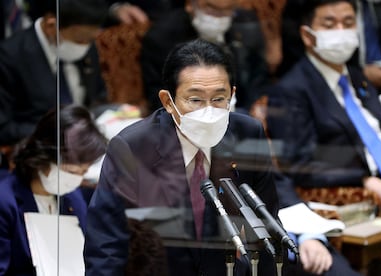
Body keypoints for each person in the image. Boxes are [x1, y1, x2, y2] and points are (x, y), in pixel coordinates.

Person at [84, 39, 280, 275]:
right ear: (168, 101)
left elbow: (266, 229)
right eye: (195, 100)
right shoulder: (133, 147)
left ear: (233, 94)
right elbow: (107, 244)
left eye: (219, 99)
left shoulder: (248, 133)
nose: (209, 111)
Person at [266, 0, 381, 224]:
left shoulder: (355, 76)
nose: (341, 32)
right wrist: (365, 180)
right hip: (376, 192)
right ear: (308, 36)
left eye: (348, 23)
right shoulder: (291, 90)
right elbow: (300, 165)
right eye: (329, 24)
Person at [0, 104, 107, 275]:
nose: (76, 179)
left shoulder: (73, 198)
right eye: (70, 171)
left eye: (83, 172)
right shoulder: (6, 203)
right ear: (43, 156)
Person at [0, 0, 108, 147]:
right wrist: (60, 135)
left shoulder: (85, 43)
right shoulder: (9, 57)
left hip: (87, 139)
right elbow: (4, 128)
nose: (85, 46)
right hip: (40, 147)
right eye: (80, 40)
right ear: (51, 26)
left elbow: (98, 95)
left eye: (89, 40)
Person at [140, 0, 271, 114]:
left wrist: (252, 110)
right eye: (212, 8)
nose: (219, 17)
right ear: (190, 5)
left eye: (227, 9)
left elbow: (258, 77)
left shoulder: (245, 23)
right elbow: (157, 95)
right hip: (187, 121)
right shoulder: (162, 37)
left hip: (239, 115)